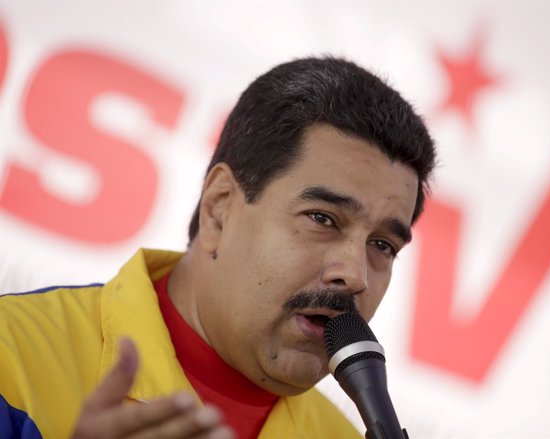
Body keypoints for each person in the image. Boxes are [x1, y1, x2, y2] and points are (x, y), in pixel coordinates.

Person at [0, 56, 436, 439]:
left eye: (382, 244)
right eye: (323, 218)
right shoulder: (12, 354)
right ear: (219, 209)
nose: (356, 274)